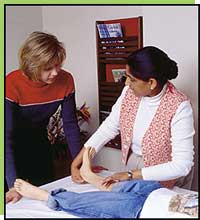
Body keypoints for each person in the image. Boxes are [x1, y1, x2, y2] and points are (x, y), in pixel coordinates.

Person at [71, 46, 195, 189]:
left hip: (167, 172)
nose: (126, 83)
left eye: (132, 79)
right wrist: (78, 161)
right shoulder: (129, 92)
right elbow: (109, 127)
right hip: (135, 164)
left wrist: (130, 174)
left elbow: (182, 165)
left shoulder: (180, 106)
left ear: (151, 83)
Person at [6, 32, 81, 203]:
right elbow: (5, 137)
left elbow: (70, 125)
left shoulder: (66, 80)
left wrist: (80, 165)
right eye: (48, 68)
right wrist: (12, 185)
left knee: (44, 195)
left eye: (58, 65)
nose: (55, 72)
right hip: (9, 144)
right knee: (12, 201)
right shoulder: (11, 83)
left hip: (38, 139)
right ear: (32, 66)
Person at [13, 147, 163, 218]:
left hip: (145, 211)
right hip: (162, 195)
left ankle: (48, 197)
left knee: (98, 202)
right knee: (152, 185)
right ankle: (93, 178)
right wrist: (74, 165)